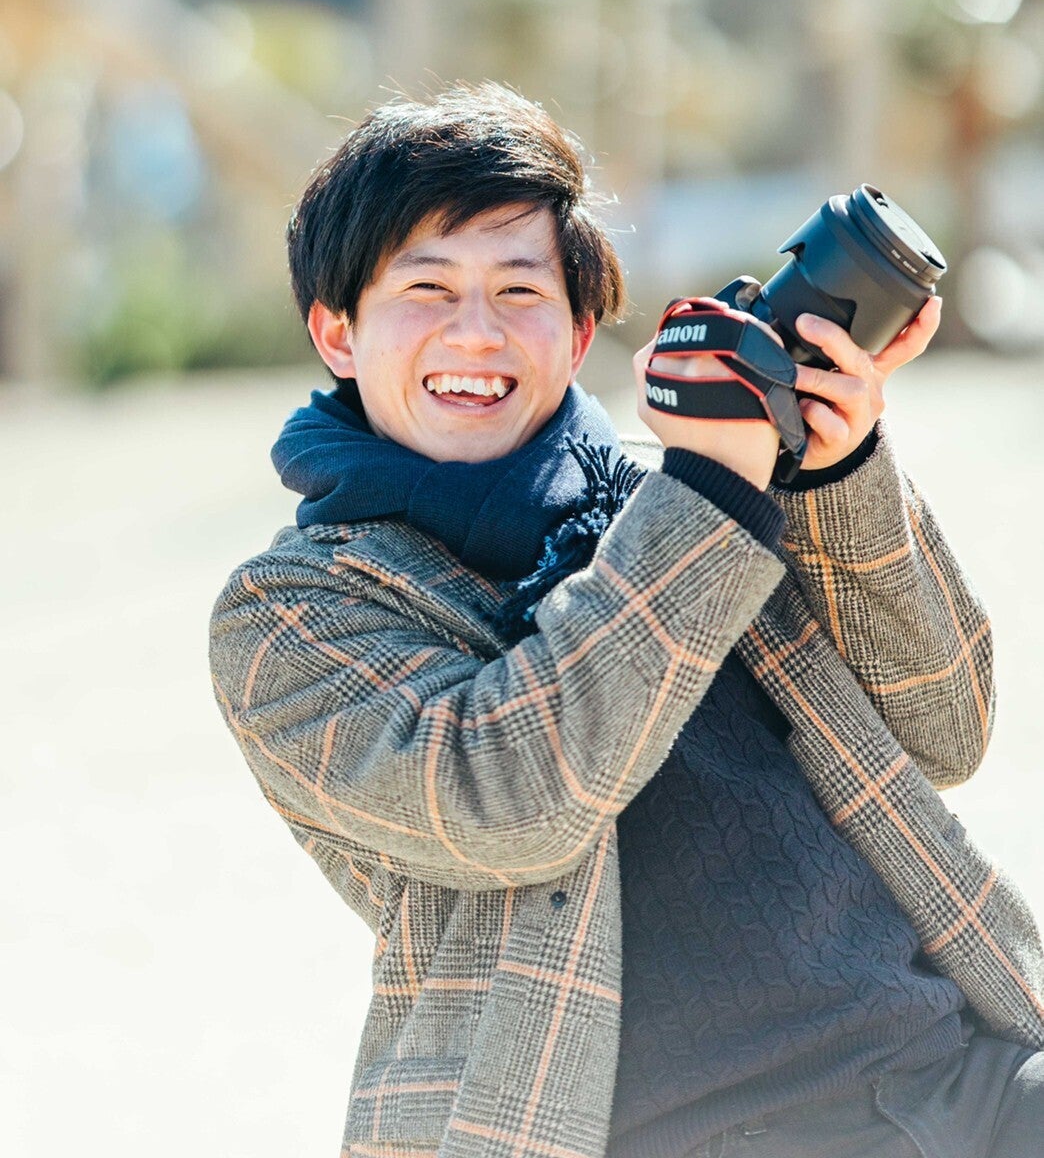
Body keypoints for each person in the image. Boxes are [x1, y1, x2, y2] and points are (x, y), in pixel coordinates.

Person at [210, 83, 1044, 1158]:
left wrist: (837, 469)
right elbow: (514, 802)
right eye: (428, 287)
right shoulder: (290, 611)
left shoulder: (682, 491)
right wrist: (714, 490)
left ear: (577, 333)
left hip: (959, 1070)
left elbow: (945, 730)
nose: (477, 331)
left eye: (520, 289)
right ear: (337, 332)